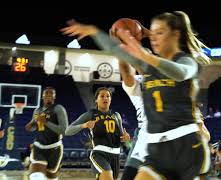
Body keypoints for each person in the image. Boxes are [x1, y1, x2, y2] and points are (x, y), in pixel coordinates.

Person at [61, 10, 211, 179]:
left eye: (160, 33)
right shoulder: (145, 72)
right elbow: (119, 53)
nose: (154, 37)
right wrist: (94, 32)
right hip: (156, 146)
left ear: (176, 35)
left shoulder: (186, 60)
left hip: (185, 143)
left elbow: (181, 73)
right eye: (152, 34)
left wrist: (147, 56)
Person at [65, 87, 130, 180]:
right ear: (96, 100)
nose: (105, 98)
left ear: (111, 99)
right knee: (108, 175)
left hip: (115, 155)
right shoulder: (90, 114)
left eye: (108, 96)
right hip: (100, 153)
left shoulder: (116, 115)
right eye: (102, 96)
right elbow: (68, 131)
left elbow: (120, 137)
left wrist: (124, 138)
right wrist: (84, 125)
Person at [25, 87, 68, 180]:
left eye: (51, 93)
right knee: (36, 176)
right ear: (42, 96)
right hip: (38, 147)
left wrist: (46, 122)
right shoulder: (37, 111)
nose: (48, 95)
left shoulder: (58, 109)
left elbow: (64, 130)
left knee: (51, 177)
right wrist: (30, 126)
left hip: (54, 148)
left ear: (54, 96)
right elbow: (34, 126)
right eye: (46, 93)